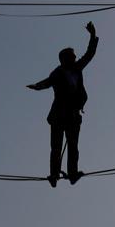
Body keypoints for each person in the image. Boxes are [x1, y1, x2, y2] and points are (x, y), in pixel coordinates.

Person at [27, 22, 99, 186]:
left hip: (73, 115)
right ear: (64, 60)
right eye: (72, 57)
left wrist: (92, 35)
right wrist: (37, 86)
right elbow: (47, 82)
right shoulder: (58, 73)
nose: (75, 59)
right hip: (59, 115)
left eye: (74, 57)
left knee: (73, 146)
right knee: (56, 147)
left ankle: (72, 174)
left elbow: (90, 54)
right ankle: (54, 175)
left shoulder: (77, 69)